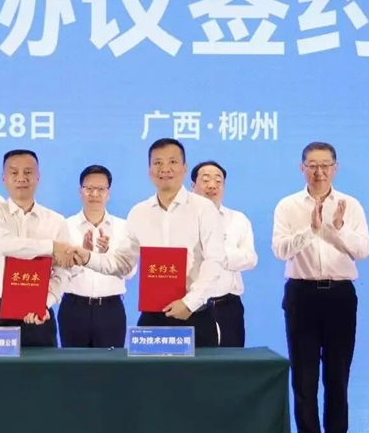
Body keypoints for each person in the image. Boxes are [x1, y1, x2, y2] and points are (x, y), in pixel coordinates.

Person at [272, 142, 369, 433]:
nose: (319, 172)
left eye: (325, 165)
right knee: (304, 376)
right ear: (301, 168)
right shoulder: (288, 206)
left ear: (335, 168)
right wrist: (310, 231)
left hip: (340, 295)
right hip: (301, 294)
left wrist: (338, 228)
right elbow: (280, 250)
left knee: (337, 375)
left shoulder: (350, 205)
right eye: (312, 165)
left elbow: (363, 251)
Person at [122, 138, 225, 348]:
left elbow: (215, 260)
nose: (165, 169)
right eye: (158, 163)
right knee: (147, 370)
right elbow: (124, 262)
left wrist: (189, 303)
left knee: (201, 371)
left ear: (184, 168)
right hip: (152, 317)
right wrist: (88, 257)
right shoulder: (138, 213)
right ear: (149, 170)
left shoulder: (203, 208)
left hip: (195, 315)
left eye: (172, 162)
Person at [0, 149, 78, 347]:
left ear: (38, 177)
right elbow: (4, 244)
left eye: (28, 172)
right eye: (14, 172)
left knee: (42, 367)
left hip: (39, 314)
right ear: (3, 178)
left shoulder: (56, 221)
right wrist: (51, 247)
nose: (21, 178)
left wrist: (45, 303)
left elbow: (63, 271)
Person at [59, 165, 137, 348]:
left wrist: (107, 255)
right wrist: (82, 259)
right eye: (89, 189)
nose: (94, 194)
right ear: (80, 191)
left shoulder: (124, 228)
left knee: (111, 364)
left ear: (108, 193)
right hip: (74, 308)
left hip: (110, 309)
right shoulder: (65, 226)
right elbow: (58, 271)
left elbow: (130, 273)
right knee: (73, 362)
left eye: (101, 189)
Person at [190, 160, 257, 348]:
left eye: (218, 181)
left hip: (227, 307)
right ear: (193, 186)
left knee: (231, 363)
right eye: (205, 180)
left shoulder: (238, 219)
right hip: (191, 307)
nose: (212, 185)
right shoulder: (181, 220)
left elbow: (250, 258)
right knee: (190, 363)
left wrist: (215, 254)